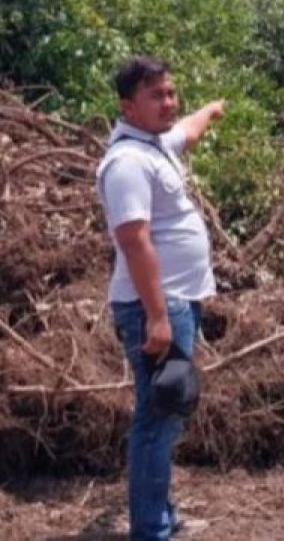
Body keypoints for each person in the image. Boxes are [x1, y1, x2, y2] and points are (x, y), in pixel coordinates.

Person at [96, 55, 225, 540]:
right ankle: (151, 530)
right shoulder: (127, 162)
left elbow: (186, 132)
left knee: (166, 412)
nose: (169, 103)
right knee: (158, 419)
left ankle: (161, 517)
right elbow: (135, 241)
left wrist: (211, 109)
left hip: (174, 302)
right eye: (157, 96)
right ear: (128, 106)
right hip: (157, 305)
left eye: (171, 93)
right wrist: (157, 317)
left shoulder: (153, 144)